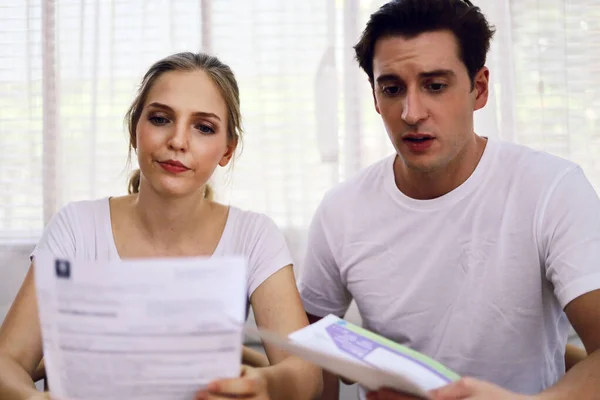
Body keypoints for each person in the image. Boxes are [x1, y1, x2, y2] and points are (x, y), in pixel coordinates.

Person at [297, 0, 600, 399]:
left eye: (435, 86)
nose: (411, 112)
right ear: (374, 97)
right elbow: (308, 359)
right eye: (391, 89)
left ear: (479, 88)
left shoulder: (551, 188)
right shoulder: (341, 210)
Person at [0, 52, 322, 400]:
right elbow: (8, 361)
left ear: (227, 150)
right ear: (134, 131)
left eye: (203, 127)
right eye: (160, 119)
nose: (178, 141)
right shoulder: (75, 227)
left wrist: (266, 384)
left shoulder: (254, 235)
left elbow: (307, 375)